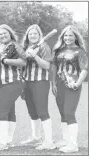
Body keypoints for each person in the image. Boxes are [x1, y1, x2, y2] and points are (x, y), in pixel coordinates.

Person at [51, 25, 88, 153]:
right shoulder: (58, 51)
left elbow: (84, 70)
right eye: (65, 35)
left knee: (69, 113)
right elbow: (54, 67)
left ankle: (73, 145)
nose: (68, 38)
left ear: (75, 37)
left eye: (70, 35)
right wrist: (53, 84)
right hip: (59, 85)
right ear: (62, 37)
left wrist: (77, 83)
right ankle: (66, 140)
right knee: (62, 113)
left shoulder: (80, 51)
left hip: (73, 85)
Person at [0, 24, 27, 151]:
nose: (2, 35)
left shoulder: (15, 45)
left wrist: (6, 61)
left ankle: (2, 142)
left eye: (5, 33)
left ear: (10, 34)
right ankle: (8, 140)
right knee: (9, 111)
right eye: (0, 34)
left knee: (1, 111)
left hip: (12, 82)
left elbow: (23, 61)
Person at [19, 24, 55, 150]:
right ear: (27, 36)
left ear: (39, 35)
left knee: (42, 111)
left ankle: (49, 141)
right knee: (32, 111)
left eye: (35, 33)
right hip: (26, 82)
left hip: (40, 82)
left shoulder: (44, 46)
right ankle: (36, 137)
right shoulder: (25, 47)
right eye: (30, 34)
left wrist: (35, 56)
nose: (33, 36)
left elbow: (47, 66)